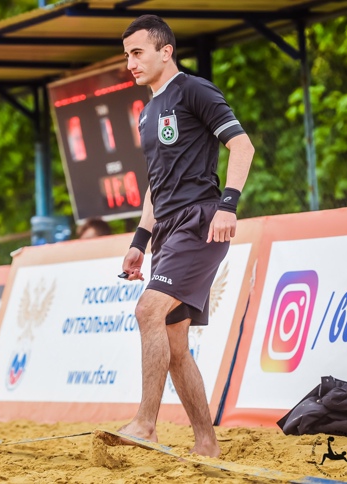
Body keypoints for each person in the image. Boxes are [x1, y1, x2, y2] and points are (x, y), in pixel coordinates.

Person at [106, 15, 254, 457]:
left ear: (165, 51)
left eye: (137, 52)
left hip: (199, 221)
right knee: (174, 343)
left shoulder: (194, 90)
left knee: (147, 310)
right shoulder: (147, 112)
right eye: (127, 55)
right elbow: (156, 185)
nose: (130, 63)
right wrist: (139, 240)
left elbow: (242, 146)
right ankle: (206, 443)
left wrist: (228, 205)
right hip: (167, 231)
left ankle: (145, 424)